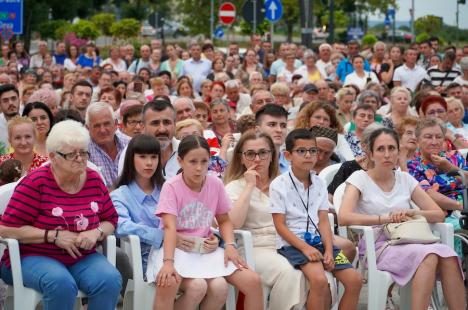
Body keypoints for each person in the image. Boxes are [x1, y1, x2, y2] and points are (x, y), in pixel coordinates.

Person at [339, 127, 466, 310]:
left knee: (449, 255)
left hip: (411, 238)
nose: (387, 154)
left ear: (399, 152)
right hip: (379, 246)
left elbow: (437, 213)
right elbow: (344, 217)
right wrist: (385, 218)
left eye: (392, 148)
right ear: (371, 154)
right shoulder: (359, 179)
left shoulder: (405, 179)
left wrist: (411, 213)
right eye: (381, 149)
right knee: (429, 255)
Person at [0, 120, 122, 310]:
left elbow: (111, 219)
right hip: (31, 256)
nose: (80, 159)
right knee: (61, 284)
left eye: (83, 152)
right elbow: (6, 229)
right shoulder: (36, 183)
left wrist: (96, 232)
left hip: (80, 256)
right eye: (71, 154)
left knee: (110, 279)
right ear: (53, 157)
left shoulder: (93, 179)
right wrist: (53, 236)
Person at [147, 135, 263, 310]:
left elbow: (224, 220)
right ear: (180, 161)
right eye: (192, 162)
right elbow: (169, 227)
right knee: (170, 280)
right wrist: (168, 262)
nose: (199, 168)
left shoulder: (215, 184)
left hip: (205, 250)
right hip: (175, 249)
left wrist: (230, 245)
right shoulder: (171, 186)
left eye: (204, 161)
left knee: (253, 281)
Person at [111, 134, 222, 306]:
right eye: (142, 157)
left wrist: (215, 239)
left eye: (154, 157)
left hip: (187, 254)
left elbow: (196, 217)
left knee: (218, 286)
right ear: (130, 159)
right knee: (197, 287)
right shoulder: (120, 194)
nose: (149, 163)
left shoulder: (169, 186)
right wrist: (163, 236)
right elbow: (122, 226)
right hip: (146, 258)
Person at [270, 128, 362, 310]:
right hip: (293, 244)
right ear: (288, 155)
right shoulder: (279, 185)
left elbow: (323, 220)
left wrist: (329, 249)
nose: (308, 155)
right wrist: (305, 248)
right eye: (301, 151)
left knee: (355, 280)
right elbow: (280, 226)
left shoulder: (319, 181)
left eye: (313, 150)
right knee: (319, 280)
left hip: (319, 241)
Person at [87, 102, 130, 187]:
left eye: (106, 124)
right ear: (88, 128)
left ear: (115, 124)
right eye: (97, 126)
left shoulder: (129, 144)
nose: (102, 130)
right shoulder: (84, 151)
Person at [0, 84, 21, 149]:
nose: (11, 103)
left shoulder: (30, 119)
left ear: (19, 100)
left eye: (13, 98)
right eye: (5, 100)